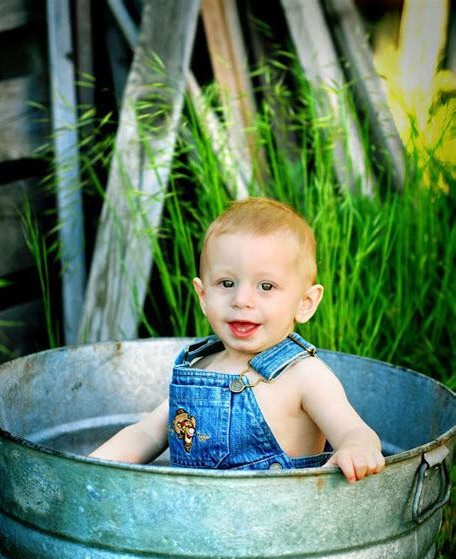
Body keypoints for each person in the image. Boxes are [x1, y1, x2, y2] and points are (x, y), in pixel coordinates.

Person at [90, 197, 385, 482]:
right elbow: (146, 434)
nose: (242, 300)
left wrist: (357, 447)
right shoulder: (199, 369)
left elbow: (354, 432)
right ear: (203, 296)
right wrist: (86, 469)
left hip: (278, 525)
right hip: (186, 522)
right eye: (226, 283)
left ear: (305, 302)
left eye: (266, 286)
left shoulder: (304, 376)